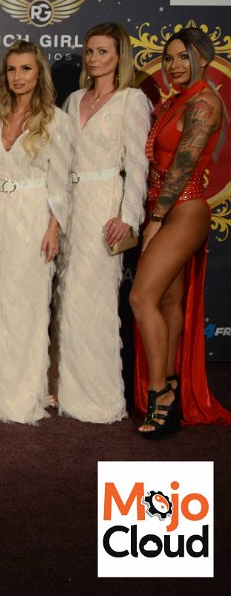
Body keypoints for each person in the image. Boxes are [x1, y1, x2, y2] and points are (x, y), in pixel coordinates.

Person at [130, 27, 231, 437]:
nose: (174, 65)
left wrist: (155, 220)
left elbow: (183, 165)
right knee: (169, 304)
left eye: (183, 57)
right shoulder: (177, 100)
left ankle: (160, 393)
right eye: (169, 58)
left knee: (141, 297)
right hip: (162, 208)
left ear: (202, 58)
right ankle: (170, 384)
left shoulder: (204, 104)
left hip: (183, 210)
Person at [54, 23, 151, 424]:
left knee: (94, 302)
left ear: (119, 57)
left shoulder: (132, 100)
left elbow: (139, 164)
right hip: (72, 207)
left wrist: (128, 217)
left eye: (103, 52)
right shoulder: (74, 99)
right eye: (90, 51)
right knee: (67, 297)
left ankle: (99, 397)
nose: (94, 59)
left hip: (105, 208)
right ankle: (66, 388)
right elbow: (60, 159)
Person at [0, 40, 73, 424]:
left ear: (39, 73)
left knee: (28, 307)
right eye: (12, 69)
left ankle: (26, 393)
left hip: (34, 219)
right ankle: (0, 389)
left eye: (26, 69)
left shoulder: (56, 121)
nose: (18, 77)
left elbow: (61, 181)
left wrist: (54, 228)